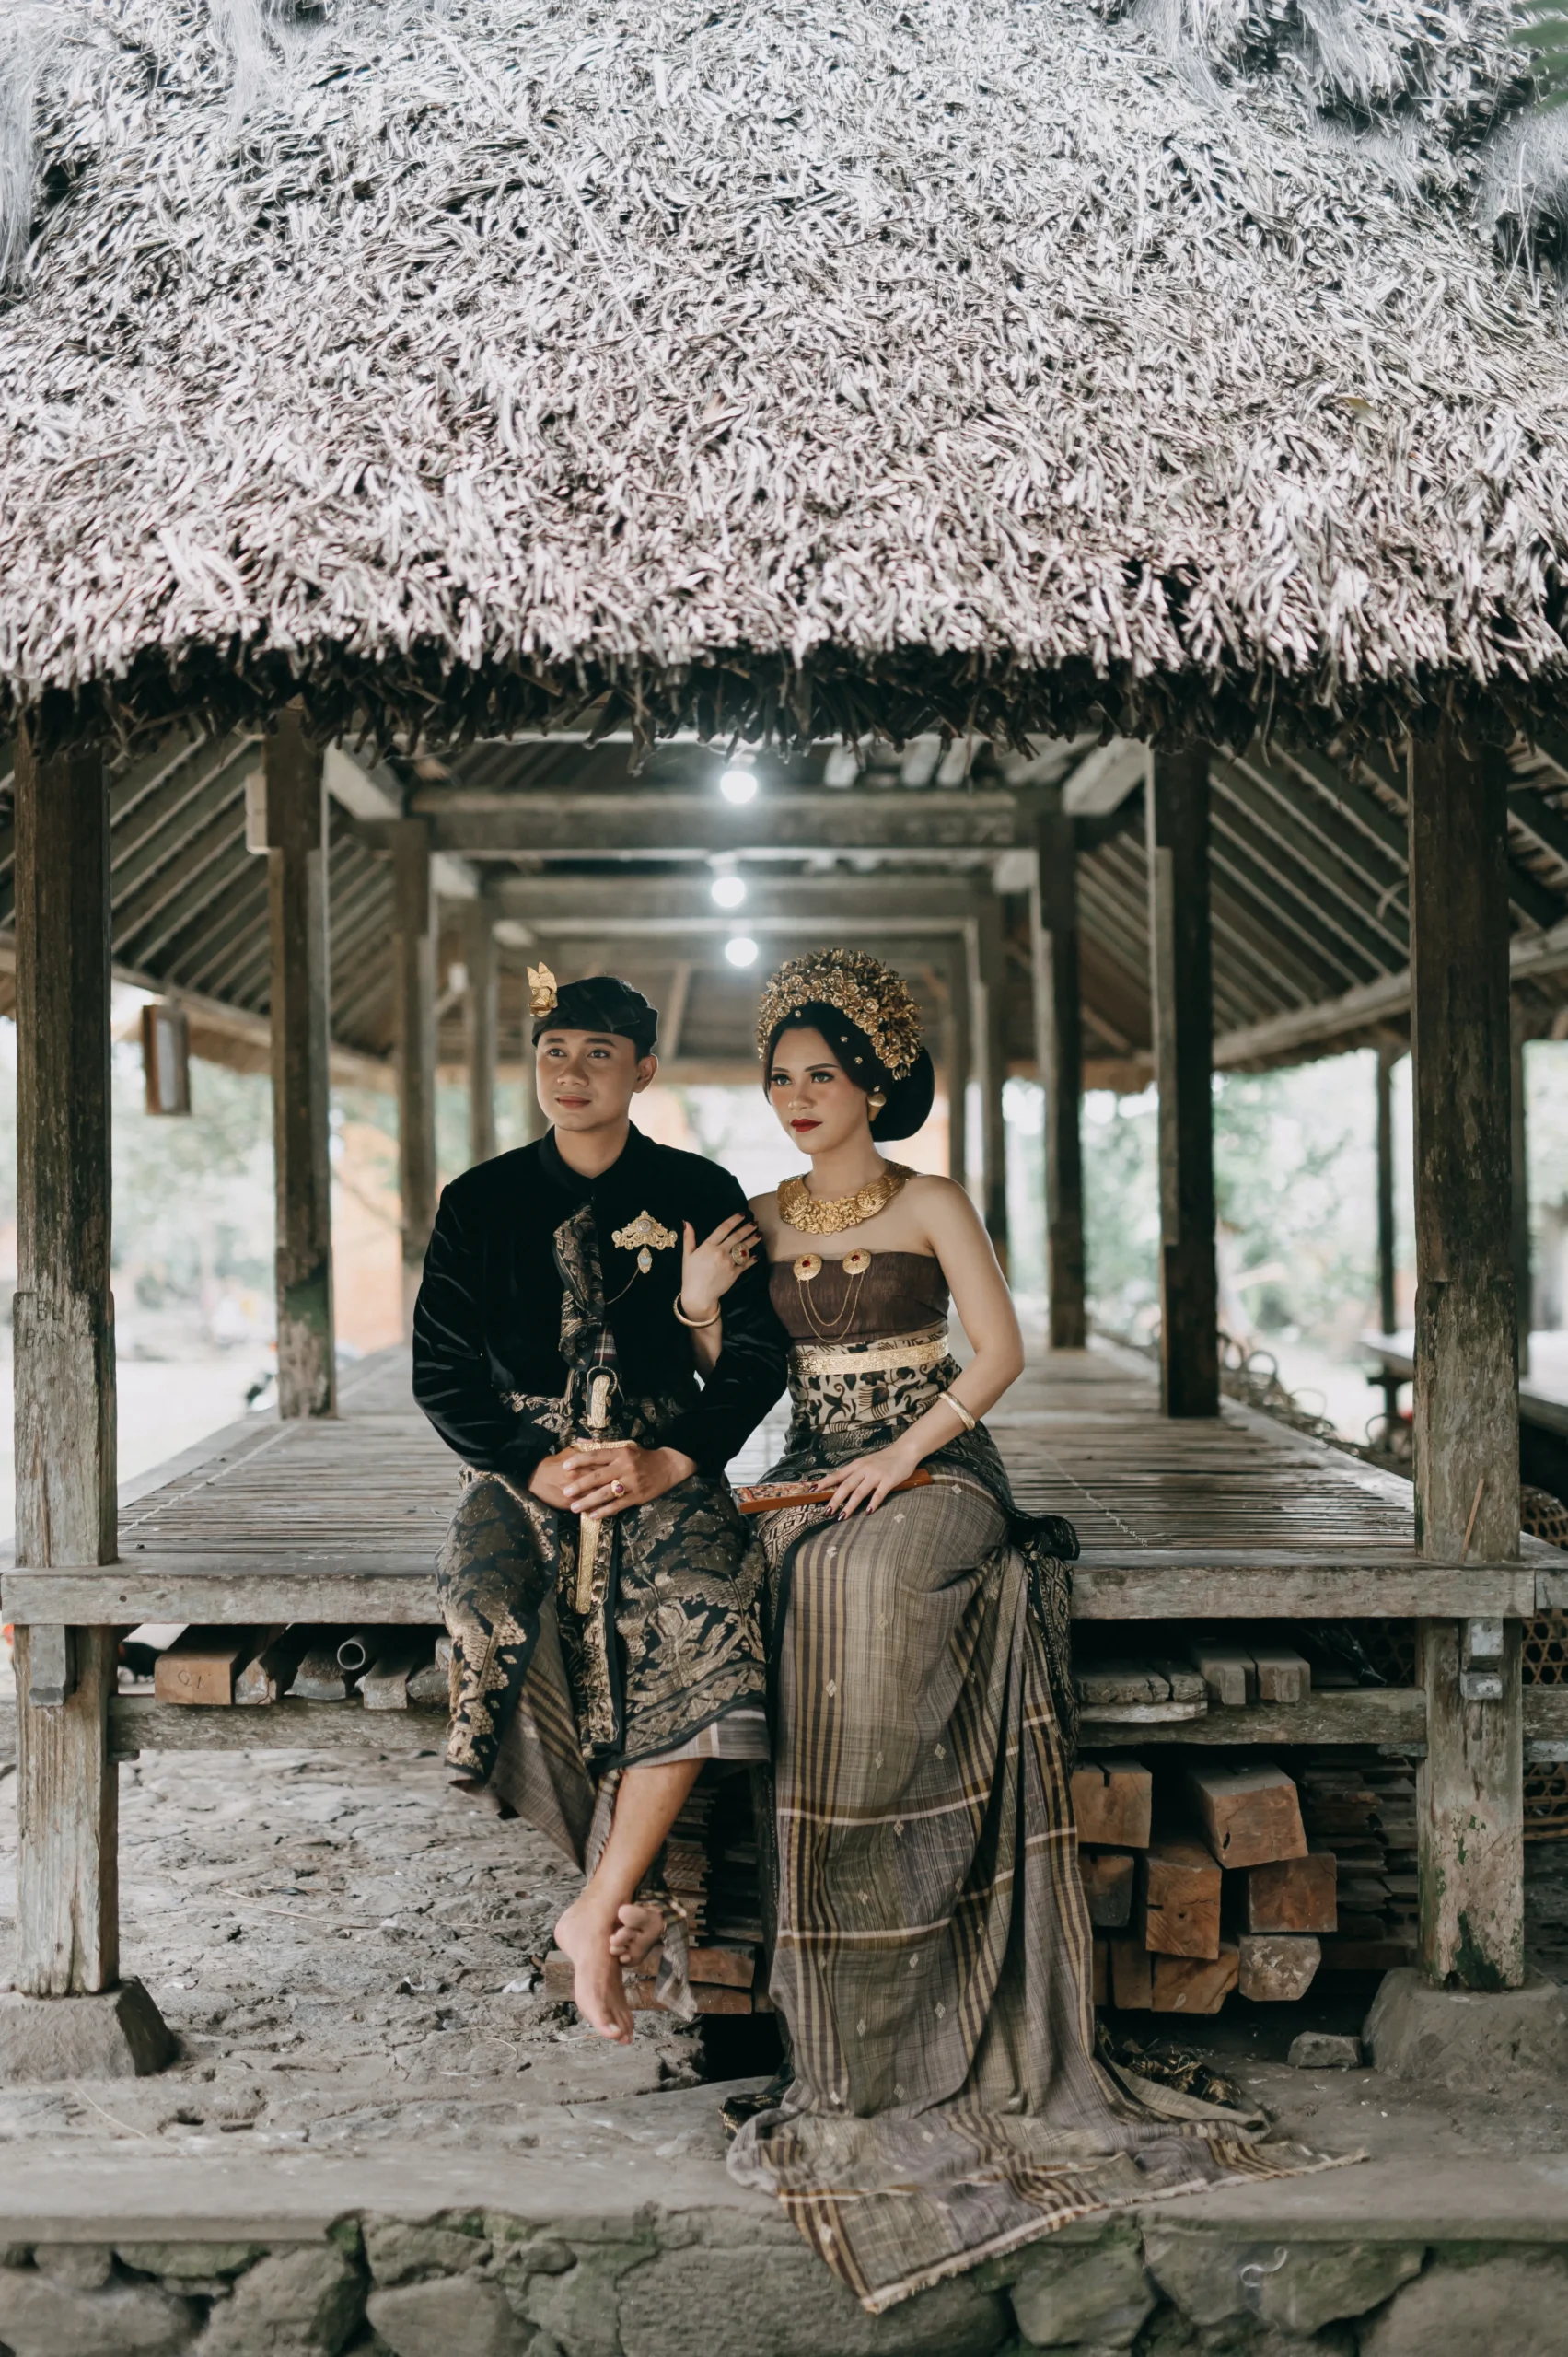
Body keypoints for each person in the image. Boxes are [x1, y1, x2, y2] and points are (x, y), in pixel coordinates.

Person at [698, 948, 1338, 2311]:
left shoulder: (931, 1200)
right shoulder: (752, 1218)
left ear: (873, 1083)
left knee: (866, 1584)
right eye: (780, 1078)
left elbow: (997, 1355)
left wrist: (903, 1454)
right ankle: (845, 2019)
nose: (797, 1097)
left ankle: (928, 1938)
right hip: (812, 1468)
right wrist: (700, 1302)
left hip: (938, 1467)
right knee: (777, 1583)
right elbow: (729, 1378)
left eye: (822, 1075)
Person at [412, 966, 788, 2046]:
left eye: (596, 1054)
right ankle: (626, 1893)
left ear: (643, 1070)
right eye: (552, 1052)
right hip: (517, 1466)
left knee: (705, 1599)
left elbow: (755, 1355)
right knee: (491, 1611)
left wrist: (672, 1459)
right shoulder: (477, 1200)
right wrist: (530, 1464)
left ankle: (602, 1904)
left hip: (661, 1455)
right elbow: (441, 1375)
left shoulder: (697, 1187)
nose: (569, 1073)